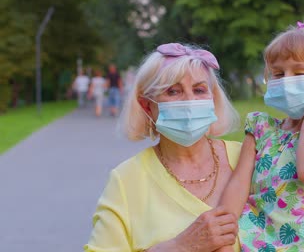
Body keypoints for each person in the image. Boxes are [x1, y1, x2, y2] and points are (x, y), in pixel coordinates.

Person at [84, 43, 243, 251]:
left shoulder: (248, 158)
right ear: (147, 105)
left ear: (213, 98)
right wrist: (181, 246)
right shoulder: (126, 180)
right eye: (173, 91)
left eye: (199, 90)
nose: (189, 101)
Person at [216, 20, 304, 252]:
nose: (287, 80)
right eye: (278, 73)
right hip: (258, 240)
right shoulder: (261, 129)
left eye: (299, 72)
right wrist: (224, 235)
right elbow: (239, 183)